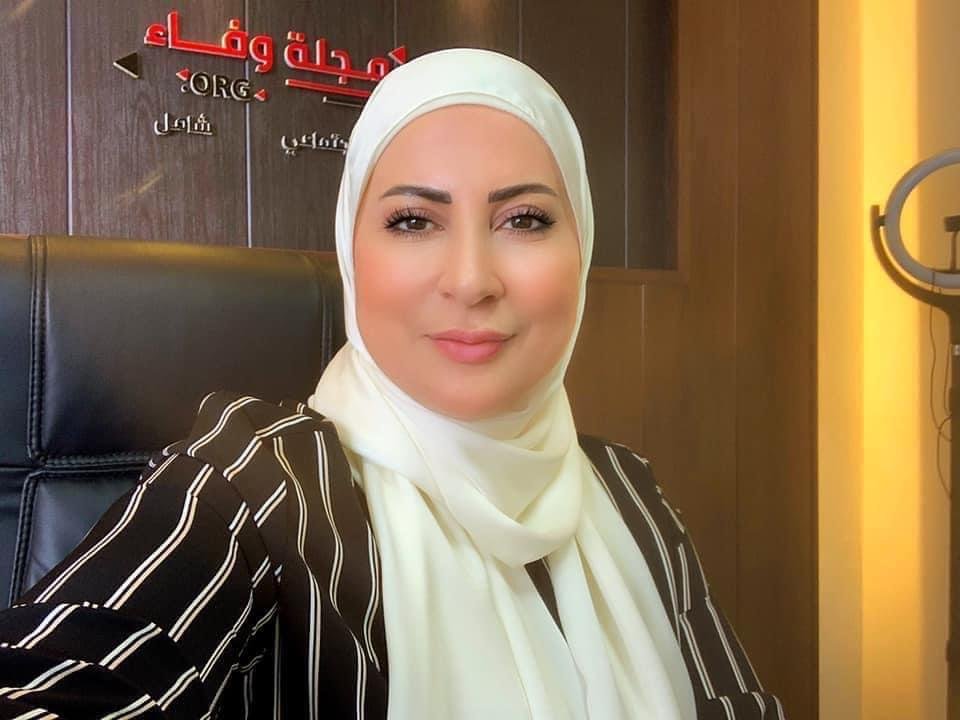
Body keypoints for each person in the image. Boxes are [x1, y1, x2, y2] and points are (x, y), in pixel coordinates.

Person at [0, 49, 783, 719]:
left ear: (581, 251)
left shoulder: (629, 494)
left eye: (525, 220)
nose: (471, 280)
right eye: (413, 220)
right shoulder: (261, 488)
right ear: (352, 252)